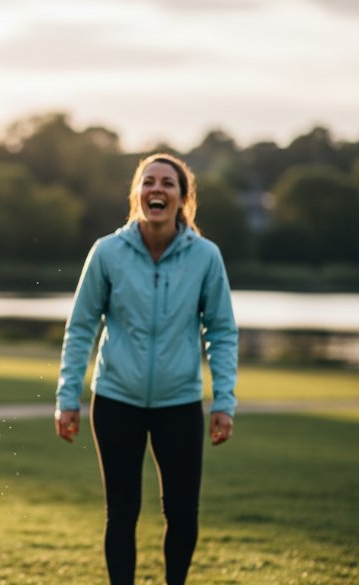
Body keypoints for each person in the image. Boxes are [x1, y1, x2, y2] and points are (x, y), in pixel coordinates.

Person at [54, 153, 238, 585]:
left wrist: (224, 401)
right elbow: (81, 328)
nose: (157, 189)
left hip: (180, 403)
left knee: (182, 512)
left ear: (182, 198)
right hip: (116, 400)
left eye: (168, 183)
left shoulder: (206, 257)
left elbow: (223, 333)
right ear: (137, 194)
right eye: (148, 182)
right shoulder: (108, 252)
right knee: (121, 512)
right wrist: (67, 398)